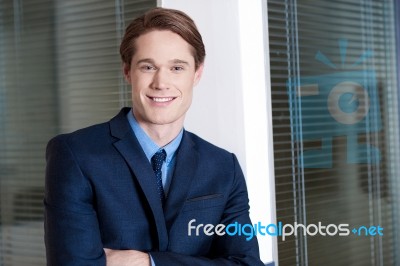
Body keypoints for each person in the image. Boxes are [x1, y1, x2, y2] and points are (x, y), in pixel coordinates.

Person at [44, 7, 264, 266]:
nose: (161, 82)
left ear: (197, 73)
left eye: (177, 68)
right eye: (148, 66)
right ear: (128, 71)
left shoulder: (224, 167)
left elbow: (247, 263)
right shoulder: (75, 155)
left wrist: (149, 262)